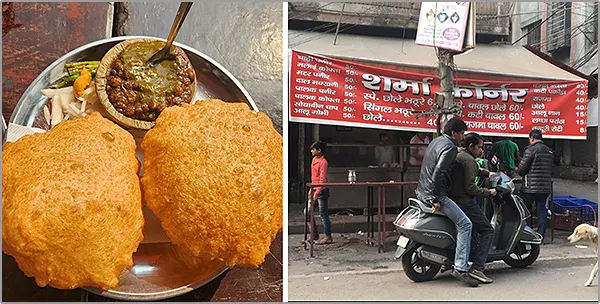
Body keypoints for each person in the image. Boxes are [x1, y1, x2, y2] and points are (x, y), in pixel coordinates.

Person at [415, 117, 479, 287]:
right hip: (435, 195)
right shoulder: (450, 148)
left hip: (422, 191)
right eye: (462, 134)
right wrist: (436, 198)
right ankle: (460, 267)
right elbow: (438, 173)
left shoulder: (436, 141)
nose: (463, 137)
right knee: (466, 224)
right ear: (454, 133)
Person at [450, 133, 498, 284]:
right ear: (471, 146)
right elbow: (470, 187)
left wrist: (489, 173)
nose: (481, 151)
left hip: (454, 200)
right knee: (487, 230)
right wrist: (488, 192)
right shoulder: (469, 159)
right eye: (479, 147)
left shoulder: (459, 155)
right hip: (465, 201)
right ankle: (478, 267)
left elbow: (475, 170)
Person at [516, 129, 554, 240]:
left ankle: (529, 235)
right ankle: (540, 235)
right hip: (545, 188)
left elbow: (522, 169)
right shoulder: (549, 151)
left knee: (527, 210)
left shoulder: (530, 150)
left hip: (530, 188)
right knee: (541, 209)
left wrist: (518, 169)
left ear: (531, 138)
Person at [306, 141, 333, 245]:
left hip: (321, 191)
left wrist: (317, 192)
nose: (312, 151)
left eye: (313, 149)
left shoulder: (323, 162)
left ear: (319, 150)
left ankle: (328, 236)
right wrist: (311, 189)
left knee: (323, 214)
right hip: (314, 188)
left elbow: (322, 179)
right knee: (307, 213)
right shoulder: (314, 160)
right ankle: (314, 234)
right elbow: (314, 177)